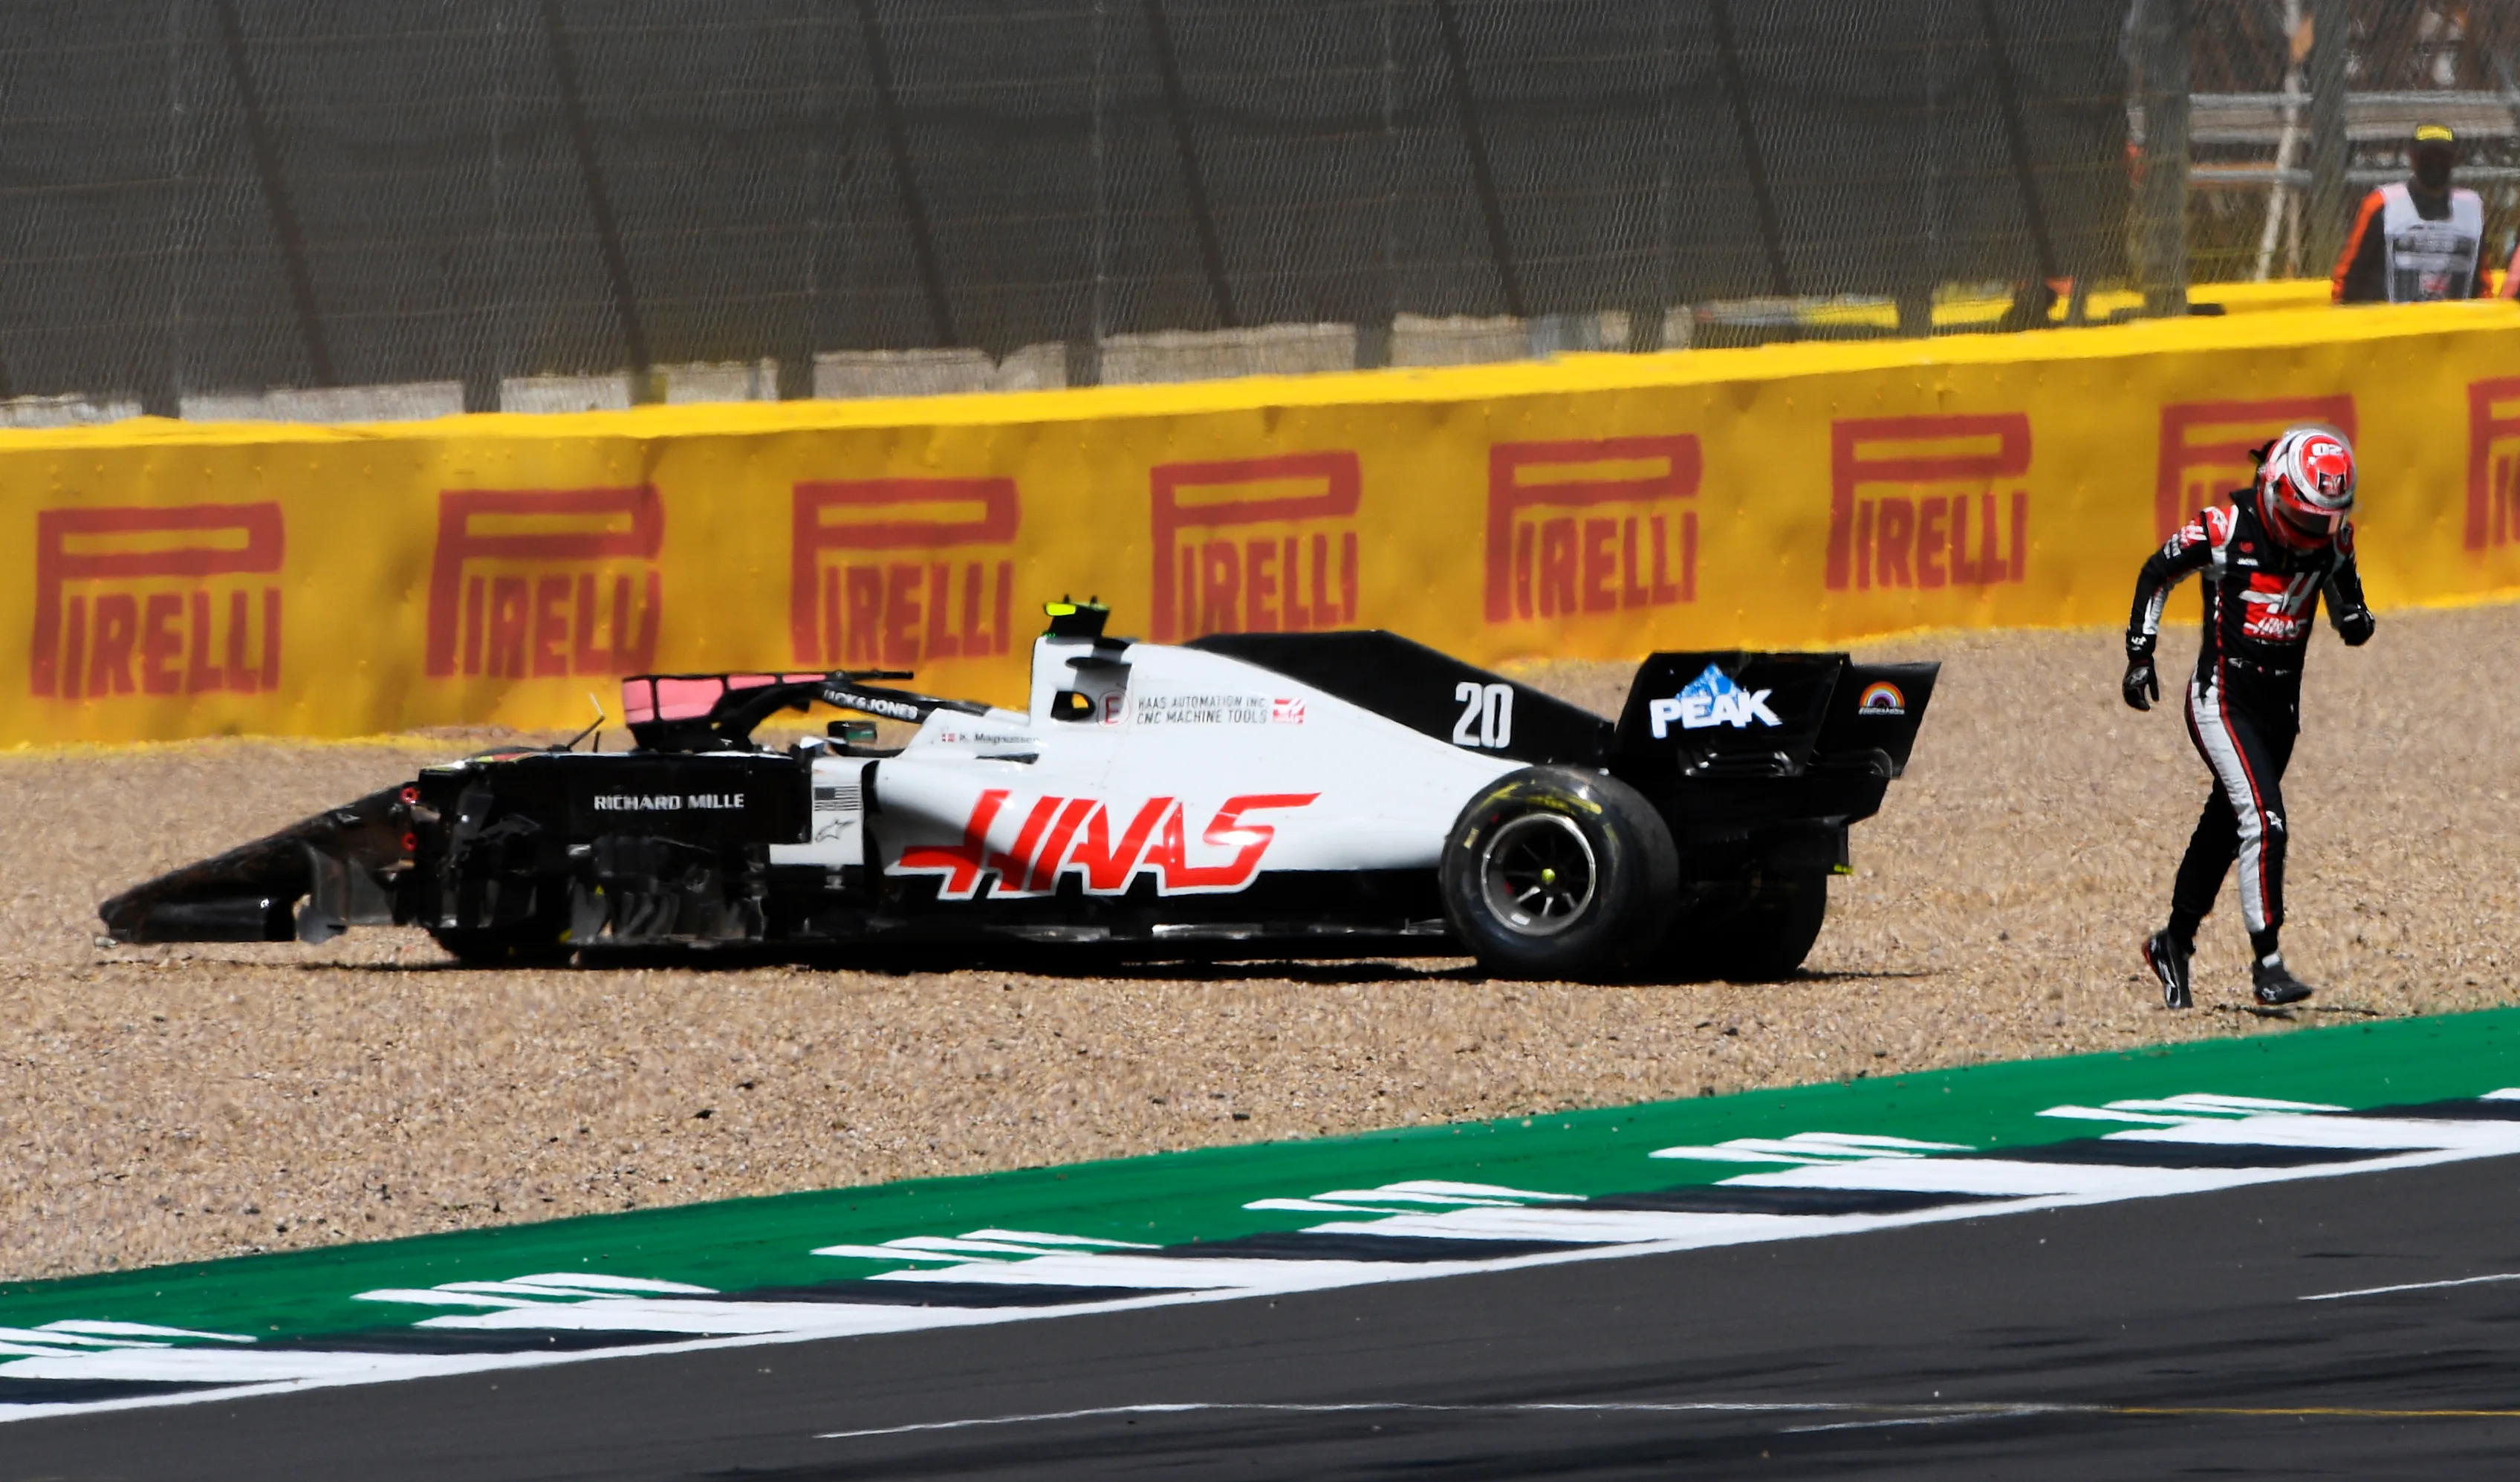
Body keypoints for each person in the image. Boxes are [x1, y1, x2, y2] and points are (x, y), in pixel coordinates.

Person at [2122, 426, 2374, 1009]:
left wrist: (2355, 620)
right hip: (2222, 699)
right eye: (2303, 516)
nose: (2310, 532)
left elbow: (2349, 604)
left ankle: (2172, 943)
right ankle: (2268, 964)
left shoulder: (2334, 542)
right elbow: (2156, 573)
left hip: (2280, 711)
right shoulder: (2222, 527)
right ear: (2274, 486)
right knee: (2265, 821)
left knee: (2225, 827)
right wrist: (2140, 653)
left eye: (2322, 521)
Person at [2332, 124, 2489, 303]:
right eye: (2428, 157)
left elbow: (2482, 284)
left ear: (2455, 159)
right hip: (2391, 319)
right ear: (2412, 157)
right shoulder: (2382, 204)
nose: (2435, 163)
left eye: (2442, 157)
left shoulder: (2471, 209)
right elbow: (2347, 278)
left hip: (2454, 319)